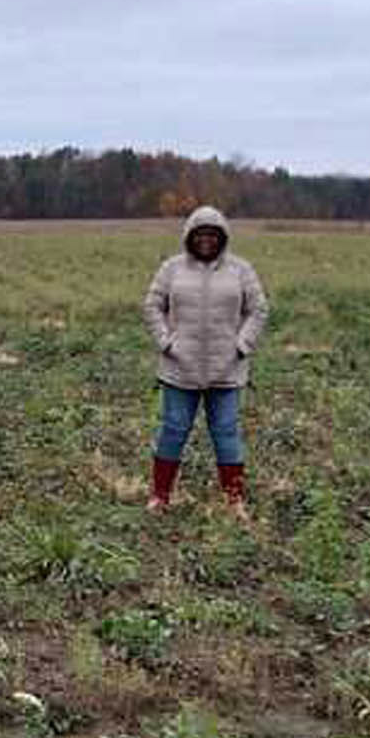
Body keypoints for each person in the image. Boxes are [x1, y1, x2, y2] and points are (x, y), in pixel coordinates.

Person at [141, 205, 269, 518]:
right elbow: (152, 306)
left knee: (226, 433)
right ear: (190, 237)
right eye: (201, 234)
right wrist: (166, 341)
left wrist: (242, 346)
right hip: (179, 369)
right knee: (173, 430)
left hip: (227, 371)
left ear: (222, 237)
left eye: (213, 235)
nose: (207, 240)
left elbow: (259, 310)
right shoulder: (172, 268)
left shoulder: (241, 270)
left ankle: (234, 500)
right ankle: (160, 496)